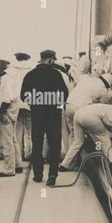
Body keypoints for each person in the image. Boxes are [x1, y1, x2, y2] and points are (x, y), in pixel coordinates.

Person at [20, 49, 68, 187]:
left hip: (37, 113)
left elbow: (23, 95)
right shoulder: (56, 74)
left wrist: (36, 102)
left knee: (37, 144)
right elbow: (64, 94)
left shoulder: (30, 75)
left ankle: (38, 175)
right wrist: (53, 101)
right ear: (50, 59)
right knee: (54, 145)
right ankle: (52, 175)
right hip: (53, 113)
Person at [59, 103, 112, 171]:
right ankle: (110, 164)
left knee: (78, 142)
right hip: (90, 117)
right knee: (104, 136)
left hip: (78, 114)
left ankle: (64, 165)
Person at [0, 55, 23, 177]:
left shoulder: (6, 77)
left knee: (6, 141)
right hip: (12, 111)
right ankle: (17, 164)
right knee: (12, 138)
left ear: (4, 63)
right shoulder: (13, 74)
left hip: (6, 111)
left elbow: (6, 99)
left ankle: (9, 168)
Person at [65, 73, 112, 147]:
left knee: (73, 134)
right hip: (80, 109)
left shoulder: (87, 79)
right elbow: (103, 108)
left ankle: (72, 156)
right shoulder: (103, 90)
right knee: (88, 135)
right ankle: (93, 154)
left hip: (68, 105)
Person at [12, 52, 33, 161]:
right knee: (29, 131)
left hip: (16, 103)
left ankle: (18, 154)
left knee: (17, 130)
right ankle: (28, 153)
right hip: (28, 102)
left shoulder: (12, 69)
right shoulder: (31, 69)